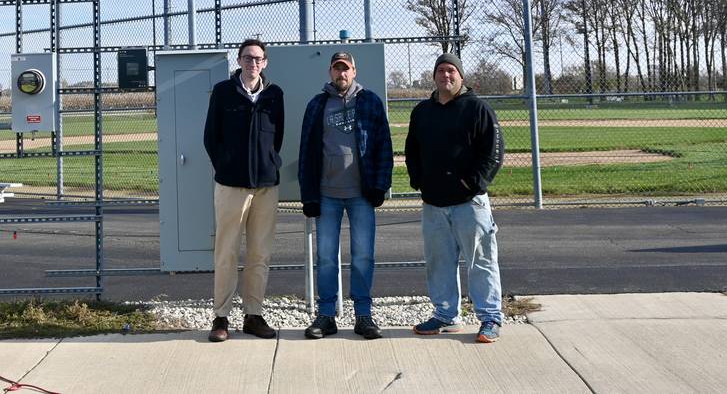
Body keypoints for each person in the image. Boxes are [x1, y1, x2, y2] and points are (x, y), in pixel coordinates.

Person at [404, 51, 504, 343]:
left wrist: (473, 183)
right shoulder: (422, 111)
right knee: (439, 262)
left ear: (461, 76)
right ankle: (446, 316)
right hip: (434, 203)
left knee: (481, 261)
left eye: (451, 71)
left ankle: (490, 318)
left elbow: (493, 153)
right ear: (434, 76)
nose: (446, 76)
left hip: (469, 203)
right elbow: (412, 149)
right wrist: (418, 180)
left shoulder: (478, 109)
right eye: (441, 71)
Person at [298, 51, 393, 340]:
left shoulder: (370, 101)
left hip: (361, 195)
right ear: (330, 72)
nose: (342, 74)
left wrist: (380, 186)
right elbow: (306, 153)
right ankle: (326, 315)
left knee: (363, 256)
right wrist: (309, 195)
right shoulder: (317, 105)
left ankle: (363, 315)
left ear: (354, 70)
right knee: (326, 256)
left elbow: (383, 148)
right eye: (337, 69)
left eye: (346, 69)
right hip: (327, 194)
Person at [203, 38, 284, 342]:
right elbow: (211, 137)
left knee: (259, 254)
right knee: (226, 253)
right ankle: (221, 318)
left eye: (258, 59)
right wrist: (226, 166)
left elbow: (277, 137)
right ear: (239, 61)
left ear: (265, 62)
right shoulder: (224, 92)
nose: (253, 63)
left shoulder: (275, 95)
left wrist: (269, 164)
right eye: (248, 58)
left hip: (265, 186)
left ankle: (253, 315)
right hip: (231, 186)